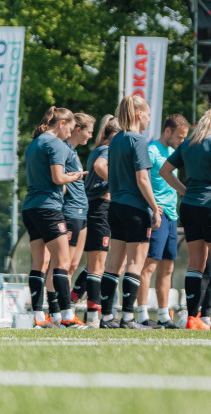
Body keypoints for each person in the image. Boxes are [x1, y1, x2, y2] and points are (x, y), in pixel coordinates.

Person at [160, 104, 211, 330]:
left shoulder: (189, 144)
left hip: (189, 207)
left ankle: (193, 318)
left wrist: (185, 190)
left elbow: (164, 171)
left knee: (196, 263)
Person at [23, 107, 89, 329]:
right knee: (62, 262)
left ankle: (38, 316)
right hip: (49, 209)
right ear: (61, 124)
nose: (70, 134)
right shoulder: (56, 144)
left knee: (39, 263)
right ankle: (67, 317)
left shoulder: (35, 142)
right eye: (70, 129)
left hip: (31, 208)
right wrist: (75, 176)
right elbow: (57, 177)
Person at [102, 96, 162, 329]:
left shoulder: (115, 140)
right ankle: (128, 317)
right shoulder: (138, 140)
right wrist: (155, 208)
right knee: (135, 264)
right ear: (138, 114)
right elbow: (143, 179)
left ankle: (107, 317)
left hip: (115, 206)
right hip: (135, 208)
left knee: (113, 264)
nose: (149, 119)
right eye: (147, 114)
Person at [136, 114, 188, 329]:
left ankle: (164, 315)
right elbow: (142, 180)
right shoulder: (151, 150)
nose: (182, 141)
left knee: (167, 267)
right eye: (179, 136)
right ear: (167, 131)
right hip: (156, 214)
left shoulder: (174, 152)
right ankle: (140, 314)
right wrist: (151, 207)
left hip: (172, 216)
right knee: (149, 265)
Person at [57, 113, 94, 327]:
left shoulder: (74, 151)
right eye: (88, 131)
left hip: (82, 212)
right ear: (77, 130)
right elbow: (58, 176)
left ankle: (66, 312)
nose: (90, 136)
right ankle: (60, 312)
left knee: (72, 265)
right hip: (70, 211)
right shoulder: (63, 148)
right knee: (62, 265)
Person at [81, 115, 119, 327]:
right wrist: (117, 183)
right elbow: (98, 165)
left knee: (94, 265)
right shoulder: (105, 150)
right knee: (97, 266)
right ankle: (96, 317)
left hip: (96, 208)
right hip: (99, 209)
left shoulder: (99, 148)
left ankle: (76, 297)